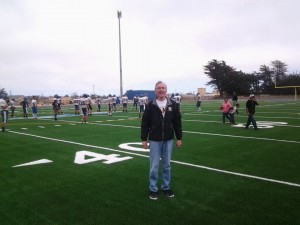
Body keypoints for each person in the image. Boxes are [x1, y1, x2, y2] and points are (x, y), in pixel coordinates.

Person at [141, 81, 182, 200]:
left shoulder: (173, 104)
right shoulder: (150, 105)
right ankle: (153, 189)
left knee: (166, 165)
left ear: (166, 90)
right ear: (155, 91)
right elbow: (145, 124)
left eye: (163, 88)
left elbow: (177, 122)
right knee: (154, 166)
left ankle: (165, 187)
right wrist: (144, 139)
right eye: (159, 88)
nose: (161, 90)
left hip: (168, 139)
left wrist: (179, 137)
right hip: (154, 140)